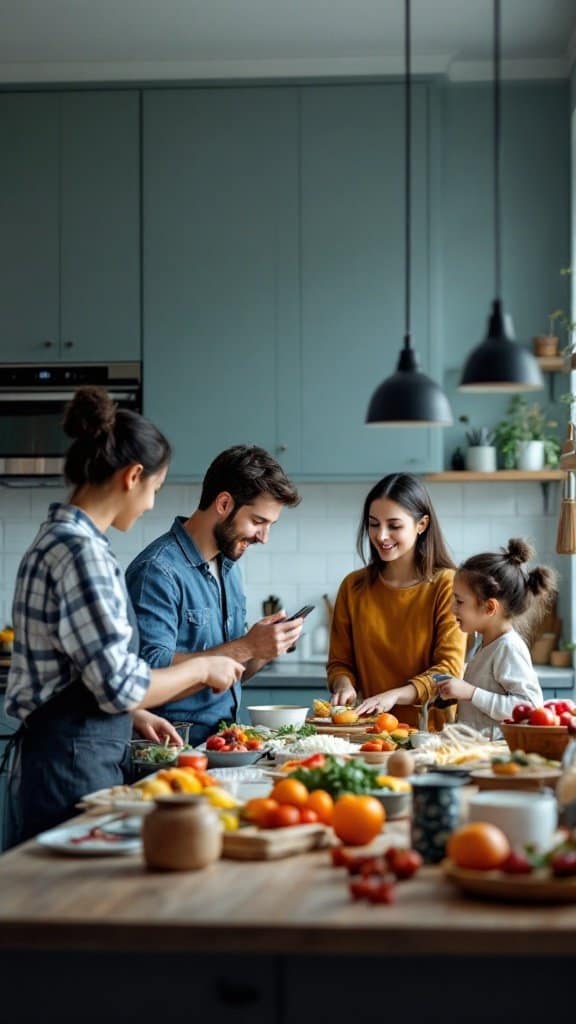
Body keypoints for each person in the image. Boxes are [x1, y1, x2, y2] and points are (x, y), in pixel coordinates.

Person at [3, 388, 243, 845]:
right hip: (70, 766)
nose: (152, 503)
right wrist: (202, 667)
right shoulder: (81, 553)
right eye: (155, 489)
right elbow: (118, 684)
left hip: (63, 756)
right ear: (133, 477)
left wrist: (133, 715)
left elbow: (87, 673)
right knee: (78, 906)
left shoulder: (59, 537)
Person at [126, 444, 303, 745]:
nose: (263, 537)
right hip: (170, 754)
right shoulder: (157, 571)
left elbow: (224, 675)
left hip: (223, 747)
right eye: (258, 522)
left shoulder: (229, 567)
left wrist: (261, 650)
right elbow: (146, 677)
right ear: (223, 504)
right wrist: (247, 645)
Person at [327, 473, 466, 730]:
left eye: (394, 525)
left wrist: (393, 695)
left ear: (422, 525)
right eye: (373, 524)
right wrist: (344, 684)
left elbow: (448, 669)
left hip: (432, 735)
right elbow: (340, 663)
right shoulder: (353, 587)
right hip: (370, 734)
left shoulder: (446, 585)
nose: (381, 535)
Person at [434, 538, 557, 735]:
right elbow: (489, 695)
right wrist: (459, 694)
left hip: (496, 754)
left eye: (459, 601)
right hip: (475, 750)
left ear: (489, 607)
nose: (451, 608)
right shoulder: (484, 642)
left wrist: (471, 693)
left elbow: (529, 706)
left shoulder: (508, 647)